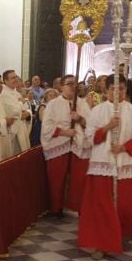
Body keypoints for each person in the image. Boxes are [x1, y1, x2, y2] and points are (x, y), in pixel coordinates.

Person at [78, 76, 132, 260]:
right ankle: (102, 244)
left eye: (122, 89)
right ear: (106, 90)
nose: (118, 93)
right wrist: (108, 126)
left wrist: (124, 147)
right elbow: (90, 138)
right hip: (102, 164)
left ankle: (117, 238)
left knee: (124, 206)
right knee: (102, 207)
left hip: (125, 164)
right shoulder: (97, 111)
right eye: (114, 89)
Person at [40, 76, 91, 216]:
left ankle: (77, 206)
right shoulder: (53, 104)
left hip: (78, 145)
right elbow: (47, 127)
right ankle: (56, 208)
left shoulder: (82, 103)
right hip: (59, 145)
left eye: (75, 84)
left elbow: (91, 125)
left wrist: (79, 119)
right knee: (57, 178)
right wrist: (64, 132)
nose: (73, 87)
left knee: (79, 178)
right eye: (69, 84)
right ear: (61, 86)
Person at [0, 69, 30, 154]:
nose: (16, 79)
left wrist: (26, 112)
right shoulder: (3, 94)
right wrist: (21, 103)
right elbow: (14, 113)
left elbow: (26, 109)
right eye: (13, 78)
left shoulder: (16, 93)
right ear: (5, 81)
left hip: (21, 129)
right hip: (13, 132)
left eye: (16, 77)